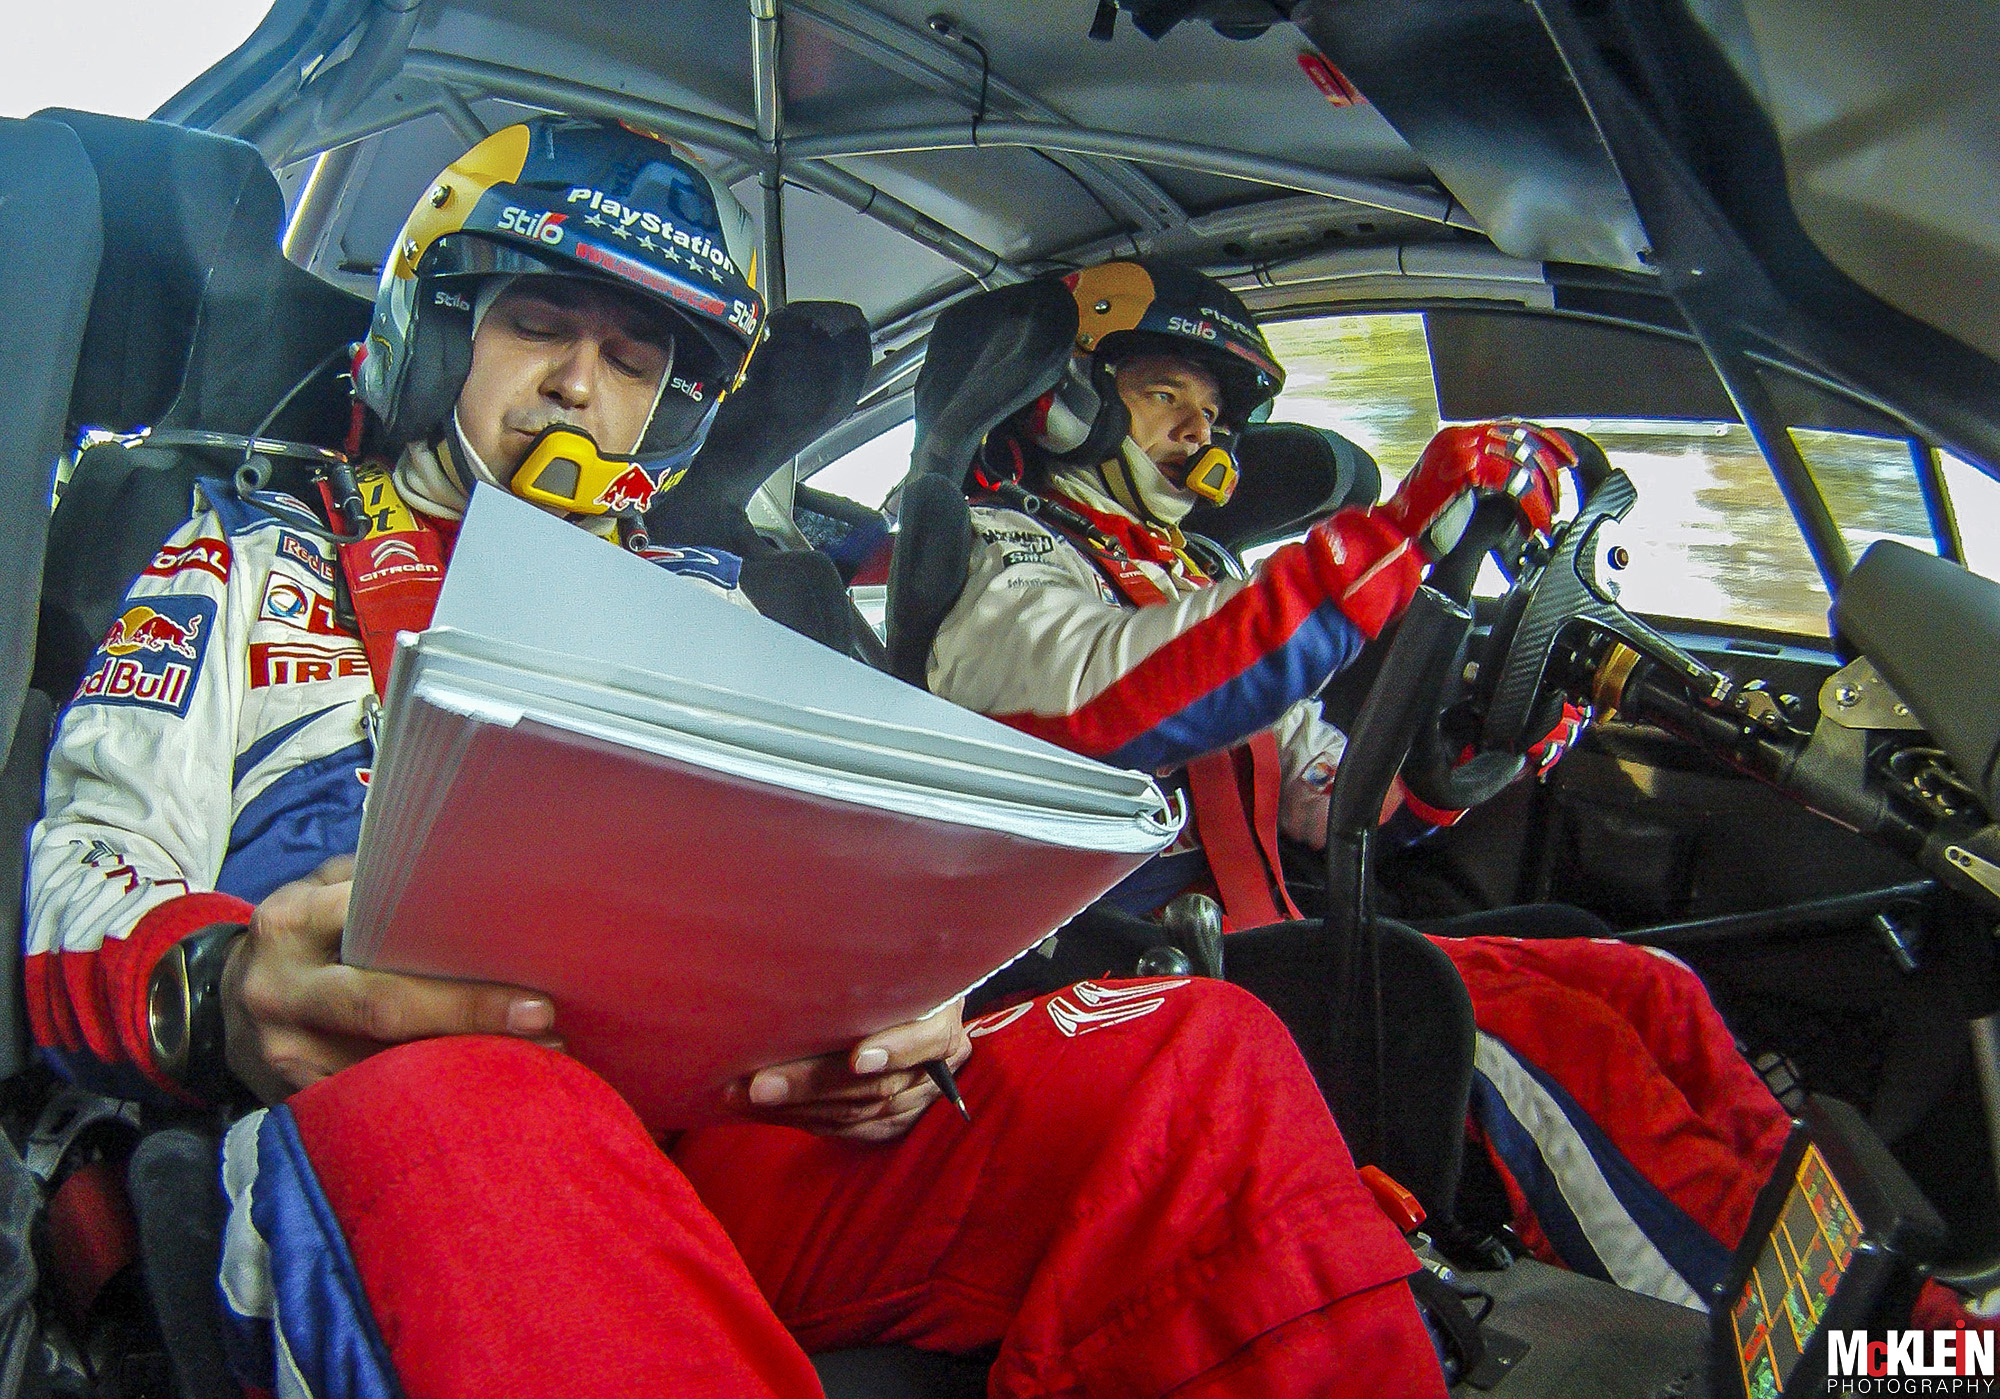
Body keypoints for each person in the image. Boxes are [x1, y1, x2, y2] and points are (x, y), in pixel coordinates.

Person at [24, 120, 1450, 1397]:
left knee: (1198, 1053)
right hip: (402, 1104)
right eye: (539, 325)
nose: (577, 385)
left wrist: (905, 1011)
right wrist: (218, 985)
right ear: (433, 335)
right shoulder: (247, 557)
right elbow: (88, 867)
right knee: (480, 1100)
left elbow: (853, 878)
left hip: (730, 1132)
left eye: (634, 361)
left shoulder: (716, 602)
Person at [921, 259, 1801, 1309]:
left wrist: (1477, 756)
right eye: (1165, 394)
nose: (1199, 432)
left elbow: (1325, 789)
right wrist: (1390, 538)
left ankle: (1835, 1251)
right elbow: (1106, 697)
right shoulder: (995, 546)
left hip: (1269, 934)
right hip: (1121, 978)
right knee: (1547, 1041)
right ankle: (1767, 1324)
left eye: (1213, 415)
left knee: (1646, 985)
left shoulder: (1192, 571)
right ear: (1066, 400)